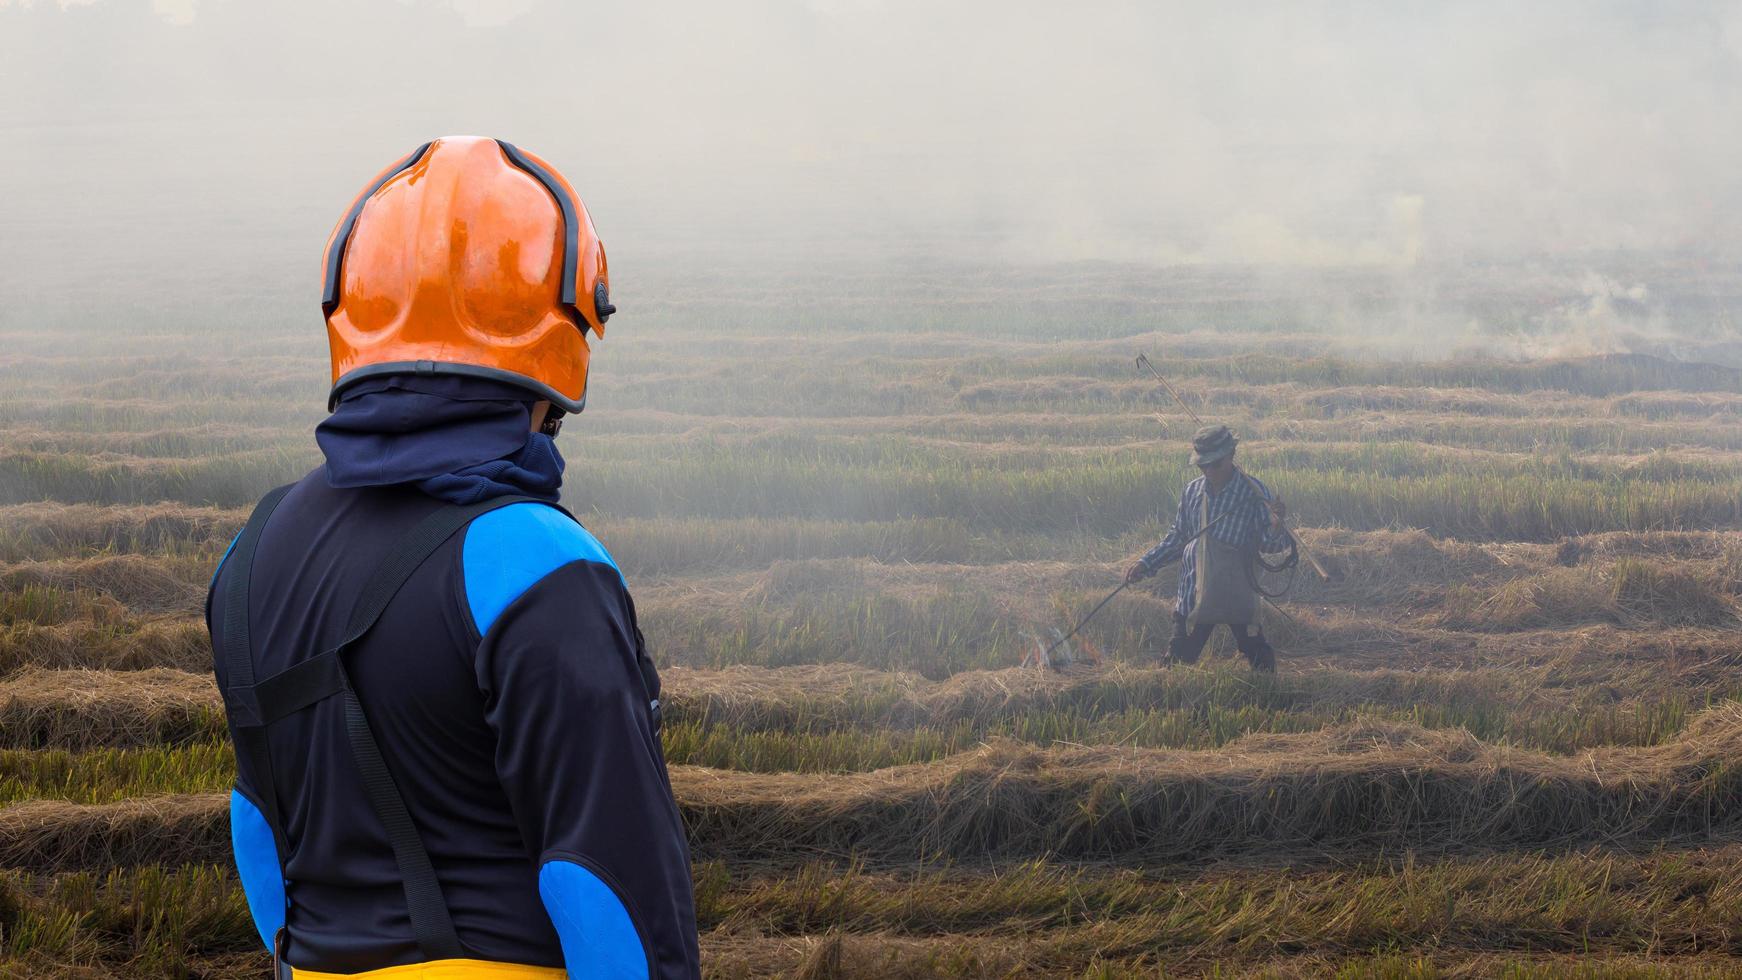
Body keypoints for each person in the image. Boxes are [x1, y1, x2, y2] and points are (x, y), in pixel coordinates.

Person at [208, 136, 701, 979]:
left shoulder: (251, 551)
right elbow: (610, 889)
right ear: (566, 328)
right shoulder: (534, 564)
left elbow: (258, 834)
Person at [1125, 424, 1291, 672]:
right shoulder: (1192, 491)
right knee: (1178, 659)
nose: (1210, 471)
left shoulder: (1254, 492)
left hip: (1237, 587)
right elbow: (1177, 537)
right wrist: (1146, 563)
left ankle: (1270, 696)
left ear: (1231, 455)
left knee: (1256, 653)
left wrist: (1278, 527)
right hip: (1195, 588)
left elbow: (1270, 545)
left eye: (1216, 464)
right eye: (1204, 465)